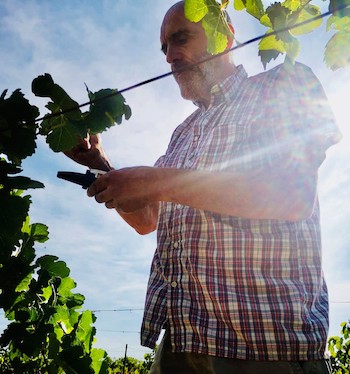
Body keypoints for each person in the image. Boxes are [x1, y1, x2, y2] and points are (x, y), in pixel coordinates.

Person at [66, 1, 341, 373]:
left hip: (264, 347)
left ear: (224, 36)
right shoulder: (182, 133)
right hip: (180, 347)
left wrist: (159, 180)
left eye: (181, 39)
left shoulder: (284, 83)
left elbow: (291, 194)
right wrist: (101, 166)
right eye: (164, 48)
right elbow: (147, 218)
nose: (170, 57)